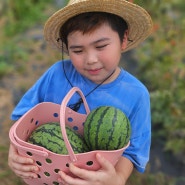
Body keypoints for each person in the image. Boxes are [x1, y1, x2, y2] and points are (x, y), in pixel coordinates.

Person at [8, 0, 153, 184]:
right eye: (77, 50)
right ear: (67, 48)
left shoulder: (136, 95)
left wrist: (117, 179)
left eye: (100, 46)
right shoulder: (56, 73)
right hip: (45, 173)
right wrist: (15, 153)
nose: (91, 59)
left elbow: (132, 152)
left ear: (123, 39)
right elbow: (23, 117)